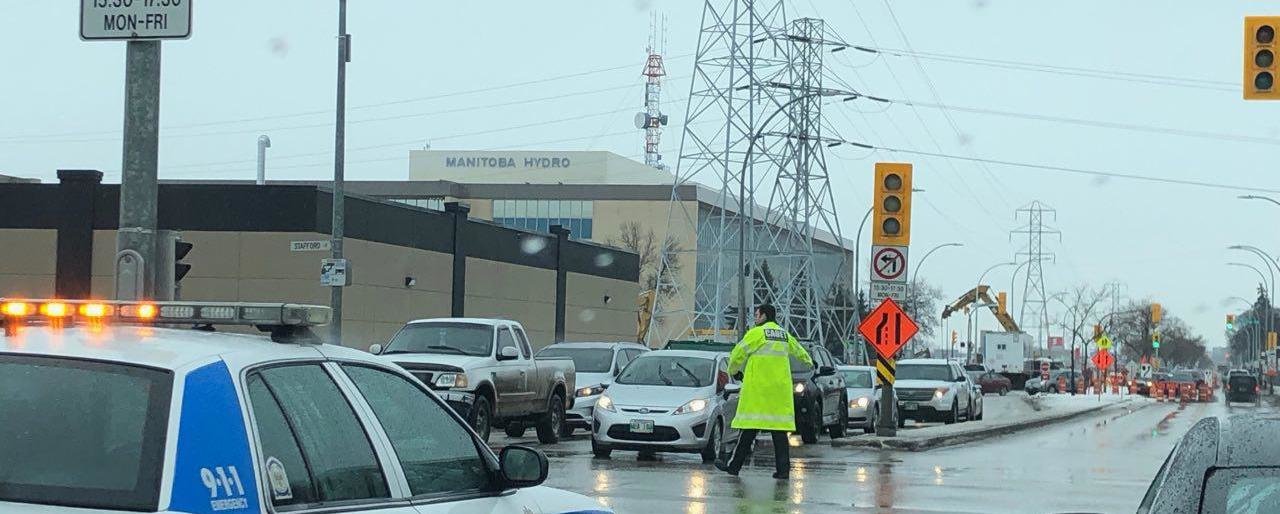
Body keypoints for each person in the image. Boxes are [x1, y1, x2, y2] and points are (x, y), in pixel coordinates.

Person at [715, 304, 813, 479]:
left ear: (765, 316)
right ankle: (783, 471)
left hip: (758, 393)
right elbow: (803, 355)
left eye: (757, 315)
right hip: (779, 394)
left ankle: (734, 467)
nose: (755, 318)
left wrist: (733, 370)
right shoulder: (784, 335)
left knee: (747, 434)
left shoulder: (757, 333)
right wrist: (807, 365)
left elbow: (738, 353)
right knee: (779, 435)